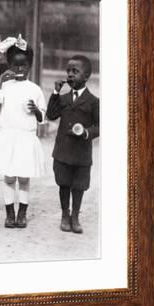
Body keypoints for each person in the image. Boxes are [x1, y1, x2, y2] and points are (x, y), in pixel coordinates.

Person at [0, 34, 46, 229]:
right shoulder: (7, 86)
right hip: (8, 136)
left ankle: (22, 212)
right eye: (15, 65)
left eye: (24, 65)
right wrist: (0, 79)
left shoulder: (35, 89)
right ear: (9, 65)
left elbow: (42, 117)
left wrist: (36, 110)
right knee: (8, 177)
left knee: (23, 177)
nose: (20, 69)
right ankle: (9, 213)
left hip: (25, 138)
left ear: (30, 65)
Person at [46, 55, 99, 233]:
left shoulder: (93, 102)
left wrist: (86, 132)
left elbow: (100, 126)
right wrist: (55, 93)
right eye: (68, 71)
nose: (70, 75)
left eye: (75, 72)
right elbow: (51, 115)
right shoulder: (63, 98)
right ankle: (64, 214)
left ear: (86, 77)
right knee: (64, 183)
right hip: (63, 151)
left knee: (78, 186)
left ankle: (75, 216)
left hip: (81, 153)